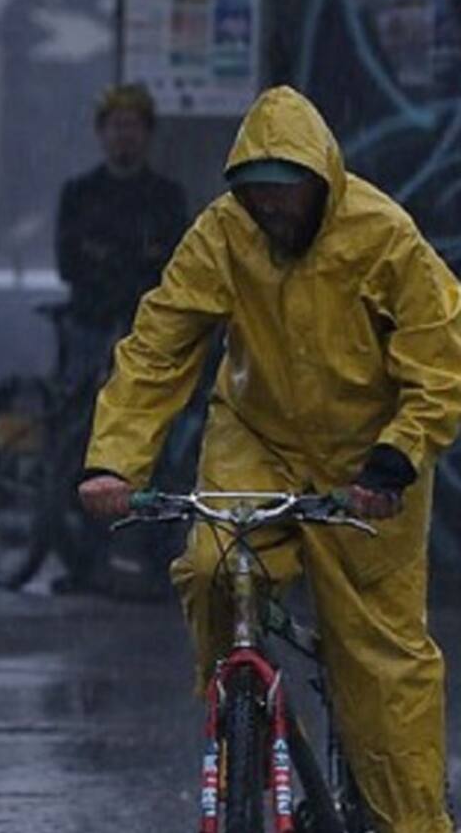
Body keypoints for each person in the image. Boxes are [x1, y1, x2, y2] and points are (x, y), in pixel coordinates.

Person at [79, 85, 461, 833]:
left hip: (368, 465)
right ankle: (244, 710)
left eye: (283, 198)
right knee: (211, 570)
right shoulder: (224, 234)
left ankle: (414, 825)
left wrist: (399, 455)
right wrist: (115, 462)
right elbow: (161, 343)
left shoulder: (383, 236)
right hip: (258, 441)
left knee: (383, 670)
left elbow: (439, 358)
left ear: (323, 184)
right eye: (255, 198)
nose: (270, 213)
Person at [53, 83, 189, 595]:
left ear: (147, 134)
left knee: (160, 445)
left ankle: (154, 560)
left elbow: (171, 266)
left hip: (145, 329)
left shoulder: (164, 196)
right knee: (85, 442)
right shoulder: (81, 193)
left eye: (133, 126)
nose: (123, 137)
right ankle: (85, 559)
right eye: (115, 127)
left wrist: (112, 262)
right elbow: (71, 262)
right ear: (101, 134)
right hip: (91, 325)